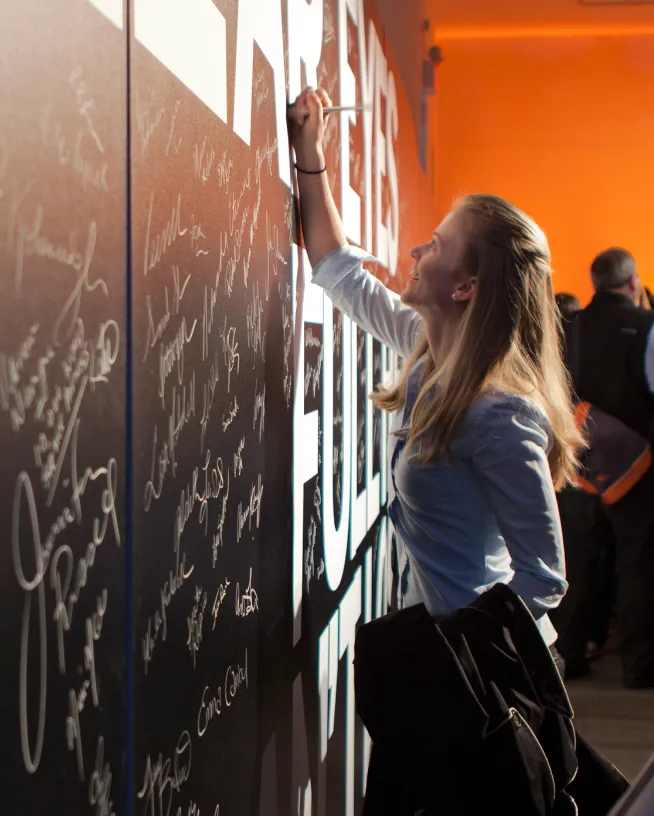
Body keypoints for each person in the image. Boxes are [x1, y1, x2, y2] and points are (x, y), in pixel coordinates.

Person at [289, 87, 583, 660]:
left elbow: (544, 576)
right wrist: (309, 151)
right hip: (439, 663)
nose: (415, 250)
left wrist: (458, 652)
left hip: (477, 682)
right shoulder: (428, 351)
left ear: (466, 287)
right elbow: (336, 270)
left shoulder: (501, 414)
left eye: (437, 244)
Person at [551, 248, 654, 688]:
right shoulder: (648, 327)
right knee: (637, 565)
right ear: (633, 283)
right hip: (639, 468)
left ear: (593, 284)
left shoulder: (568, 327)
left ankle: (568, 658)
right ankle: (639, 669)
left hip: (576, 463)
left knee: (572, 564)